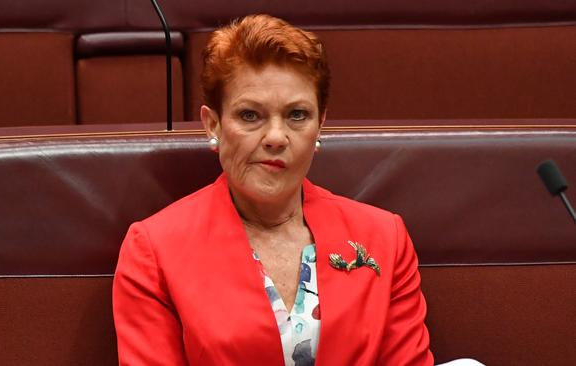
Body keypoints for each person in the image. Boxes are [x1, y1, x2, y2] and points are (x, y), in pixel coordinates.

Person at [113, 14, 434, 365]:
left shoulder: (383, 237)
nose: (277, 137)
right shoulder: (154, 252)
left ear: (320, 124)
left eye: (297, 115)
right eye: (250, 116)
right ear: (213, 125)